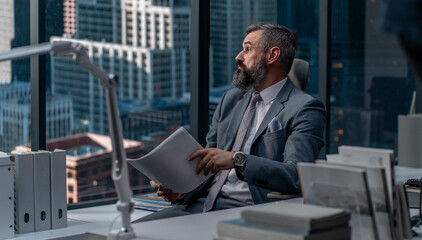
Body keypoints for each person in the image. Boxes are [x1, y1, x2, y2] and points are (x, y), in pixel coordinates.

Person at [134, 23, 326, 222]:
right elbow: (207, 169)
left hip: (250, 211)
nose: (239, 56)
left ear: (272, 55)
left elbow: (296, 176)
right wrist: (181, 191)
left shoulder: (305, 108)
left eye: (248, 49)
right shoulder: (230, 100)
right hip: (201, 205)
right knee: (132, 233)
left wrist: (238, 160)